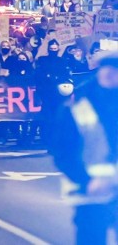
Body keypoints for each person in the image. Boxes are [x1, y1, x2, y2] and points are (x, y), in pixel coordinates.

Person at [52, 51, 118, 244]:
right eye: (107, 69)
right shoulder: (78, 103)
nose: (109, 74)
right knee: (92, 238)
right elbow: (62, 150)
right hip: (90, 191)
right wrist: (86, 180)